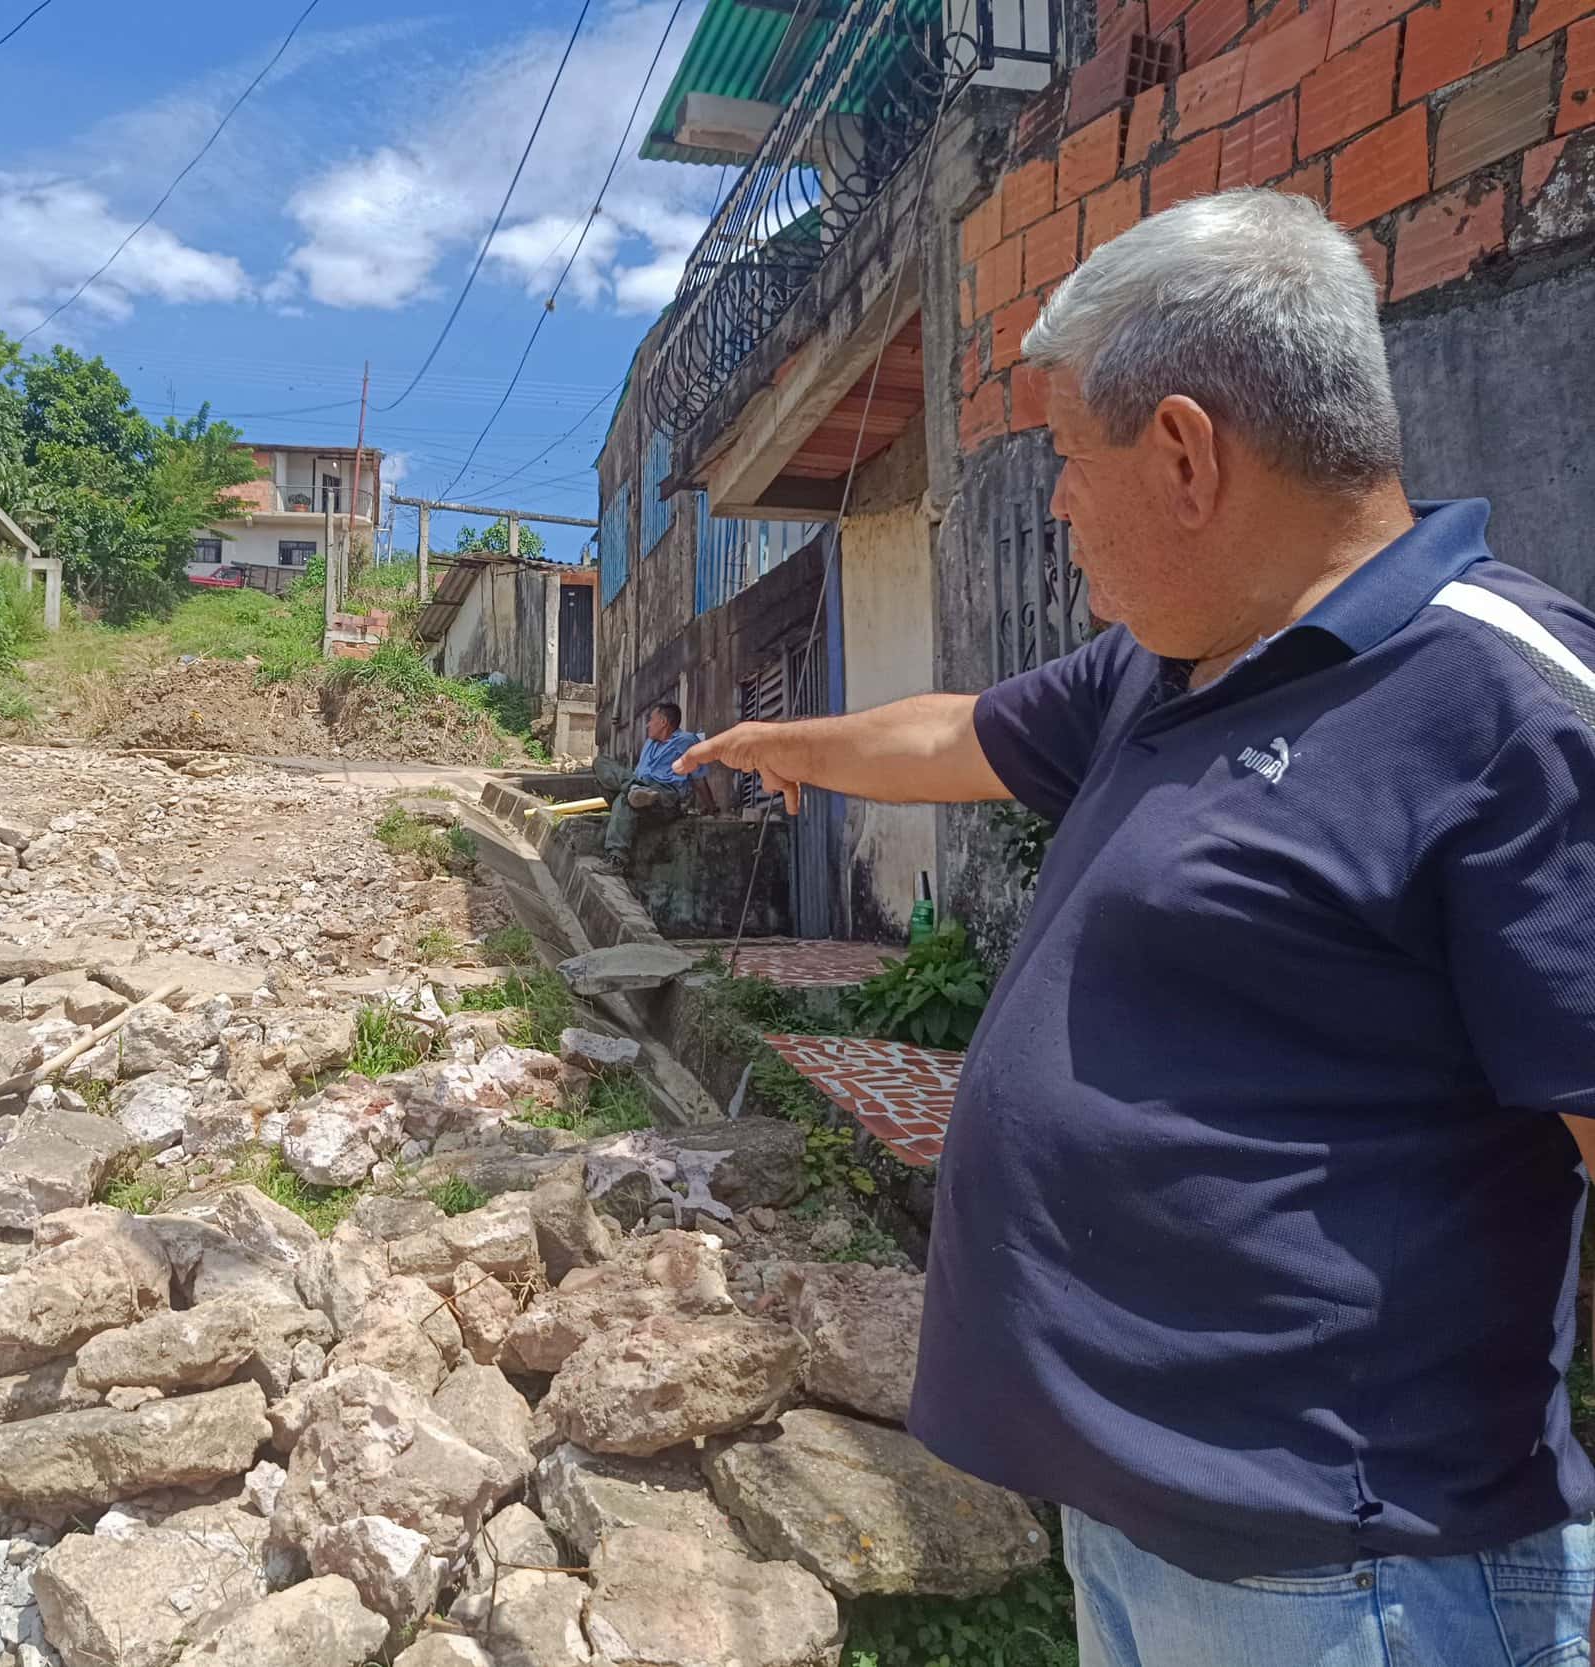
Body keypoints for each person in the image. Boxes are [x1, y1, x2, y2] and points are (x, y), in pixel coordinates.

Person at [676, 187, 1595, 1666]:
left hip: (1349, 1582)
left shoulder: (1509, 709)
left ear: (1180, 451)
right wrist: (775, 744)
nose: (1050, 503)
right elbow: (953, 735)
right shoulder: (1169, 667)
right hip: (1139, 1534)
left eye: (1060, 456)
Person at [594, 700, 700, 873]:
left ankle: (617, 859)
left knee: (626, 798)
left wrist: (713, 808)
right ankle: (634, 789)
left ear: (664, 722)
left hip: (664, 796)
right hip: (639, 788)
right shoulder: (650, 743)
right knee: (601, 762)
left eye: (651, 720)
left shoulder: (686, 741)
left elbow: (699, 777)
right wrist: (633, 785)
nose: (647, 725)